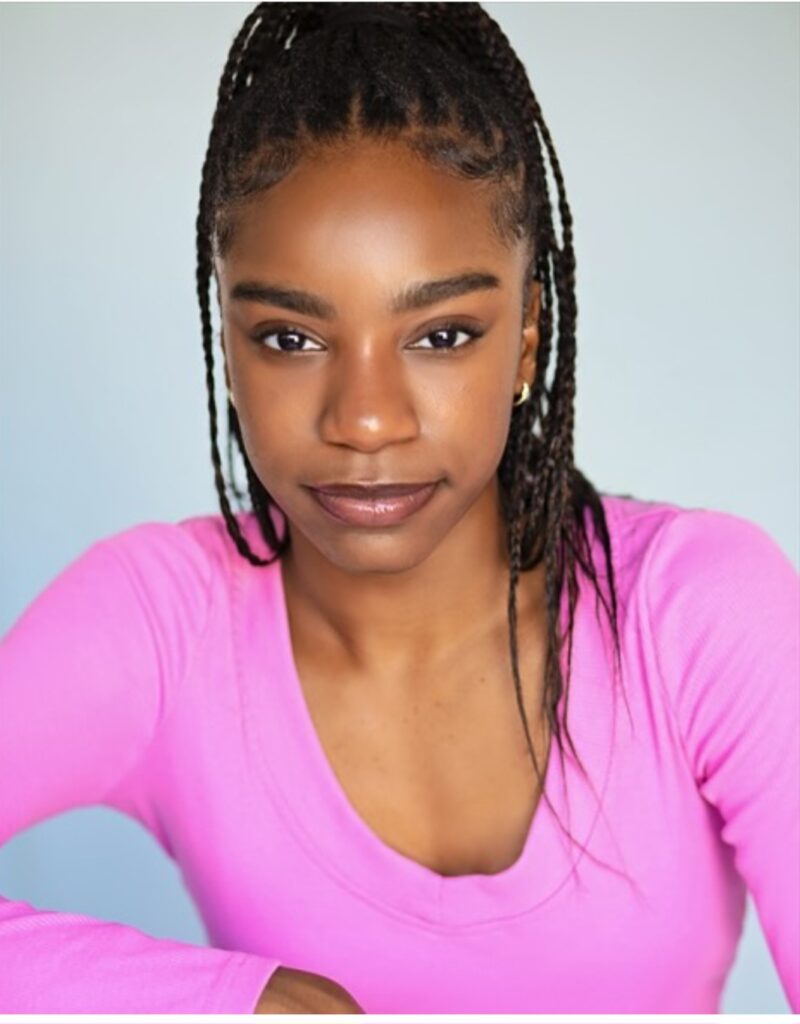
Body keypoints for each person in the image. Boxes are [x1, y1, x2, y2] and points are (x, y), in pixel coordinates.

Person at [1, 1, 797, 1014]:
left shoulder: (696, 617)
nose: (364, 420)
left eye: (441, 334)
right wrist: (236, 1002)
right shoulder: (160, 625)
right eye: (291, 339)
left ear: (523, 339)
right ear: (228, 343)